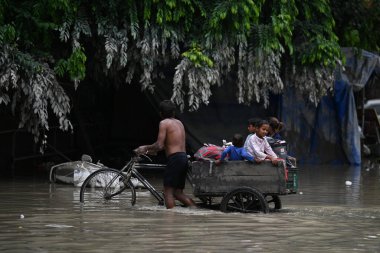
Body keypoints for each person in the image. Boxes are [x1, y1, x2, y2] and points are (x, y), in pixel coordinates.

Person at [134, 100, 196, 209]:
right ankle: (194, 209)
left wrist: (144, 147)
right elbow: (169, 144)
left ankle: (170, 220)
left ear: (161, 113)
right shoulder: (179, 123)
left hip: (175, 159)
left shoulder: (164, 123)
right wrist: (151, 150)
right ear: (173, 113)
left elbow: (159, 145)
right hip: (183, 158)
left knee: (168, 192)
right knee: (178, 193)